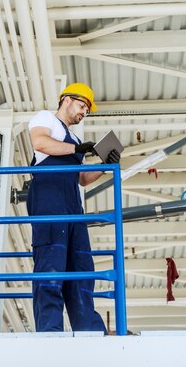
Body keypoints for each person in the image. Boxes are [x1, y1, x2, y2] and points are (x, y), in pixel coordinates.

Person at [26, 83, 120, 333]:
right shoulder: (45, 118)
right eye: (81, 106)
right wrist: (76, 149)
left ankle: (89, 328)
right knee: (51, 263)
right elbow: (40, 143)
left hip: (72, 204)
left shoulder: (75, 138)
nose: (83, 113)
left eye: (87, 111)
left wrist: (103, 164)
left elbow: (82, 179)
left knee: (81, 266)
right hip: (48, 199)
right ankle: (50, 330)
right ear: (66, 100)